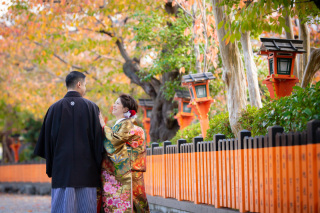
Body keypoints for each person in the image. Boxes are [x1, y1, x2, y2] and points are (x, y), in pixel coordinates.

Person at [34, 71, 104, 213]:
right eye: (84, 85)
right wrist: (98, 166)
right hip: (86, 170)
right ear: (79, 84)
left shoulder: (53, 109)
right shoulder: (91, 108)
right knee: (86, 208)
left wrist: (53, 166)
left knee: (62, 208)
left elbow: (46, 142)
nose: (85, 88)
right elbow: (99, 141)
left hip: (61, 170)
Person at [98, 94, 149, 213]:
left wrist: (102, 124)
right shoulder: (121, 124)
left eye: (117, 103)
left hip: (127, 171)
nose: (113, 105)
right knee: (136, 204)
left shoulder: (127, 124)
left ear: (125, 109)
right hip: (128, 170)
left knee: (133, 203)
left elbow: (114, 142)